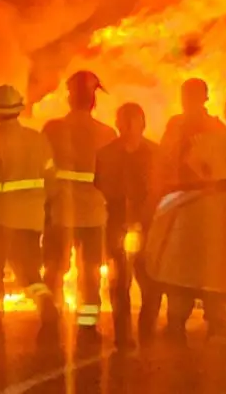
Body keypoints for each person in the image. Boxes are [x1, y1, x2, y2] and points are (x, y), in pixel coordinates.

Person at [0, 84, 59, 326]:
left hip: (2, 221)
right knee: (29, 272)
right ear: (18, 109)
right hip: (32, 220)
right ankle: (44, 299)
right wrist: (47, 213)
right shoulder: (38, 140)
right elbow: (52, 181)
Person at [41, 71, 117, 333]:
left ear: (70, 98)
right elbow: (111, 178)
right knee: (90, 272)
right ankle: (87, 325)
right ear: (93, 100)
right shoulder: (107, 133)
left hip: (59, 210)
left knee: (54, 269)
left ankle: (49, 321)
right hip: (94, 214)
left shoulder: (52, 129)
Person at [158, 77, 226, 343]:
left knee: (199, 263)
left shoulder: (211, 126)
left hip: (200, 204)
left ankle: (207, 320)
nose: (188, 101)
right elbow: (165, 158)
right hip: (190, 203)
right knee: (191, 263)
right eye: (187, 96)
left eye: (192, 96)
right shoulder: (180, 125)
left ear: (203, 98)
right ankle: (186, 321)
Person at [95, 103, 162, 351]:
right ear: (118, 124)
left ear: (142, 124)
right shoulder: (106, 155)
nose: (129, 127)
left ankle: (147, 330)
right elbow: (99, 187)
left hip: (148, 226)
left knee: (151, 282)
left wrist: (146, 218)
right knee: (120, 282)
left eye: (134, 121)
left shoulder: (155, 153)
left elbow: (161, 188)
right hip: (116, 224)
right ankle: (123, 337)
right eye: (125, 121)